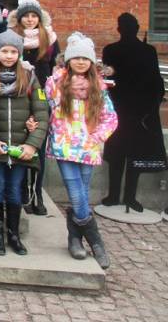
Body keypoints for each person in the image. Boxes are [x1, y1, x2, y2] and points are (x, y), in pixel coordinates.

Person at [46, 32, 118, 269]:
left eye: (85, 58)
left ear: (91, 62)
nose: (80, 62)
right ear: (68, 60)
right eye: (76, 58)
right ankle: (97, 242)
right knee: (76, 193)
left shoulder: (98, 87)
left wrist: (97, 137)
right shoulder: (56, 83)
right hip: (65, 146)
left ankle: (75, 239)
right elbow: (46, 107)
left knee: (83, 193)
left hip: (88, 148)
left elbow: (110, 118)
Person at [0, 30, 48, 256]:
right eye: (4, 51)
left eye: (13, 51)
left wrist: (32, 144)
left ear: (19, 53)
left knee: (14, 189)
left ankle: (13, 234)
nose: (9, 56)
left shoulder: (30, 77)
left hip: (21, 147)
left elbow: (41, 114)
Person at [102, 13, 167, 211]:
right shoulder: (116, 50)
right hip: (123, 110)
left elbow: (155, 82)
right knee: (123, 154)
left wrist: (150, 107)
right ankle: (120, 196)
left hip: (136, 111)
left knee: (130, 155)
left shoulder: (145, 51)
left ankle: (122, 197)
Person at [7, 0, 60, 215]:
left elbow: (56, 69)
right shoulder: (12, 36)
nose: (30, 20)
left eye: (33, 16)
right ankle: (22, 190)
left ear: (39, 17)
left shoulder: (50, 38)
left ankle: (37, 192)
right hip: (20, 94)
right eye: (26, 16)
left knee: (37, 143)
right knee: (20, 143)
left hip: (41, 96)